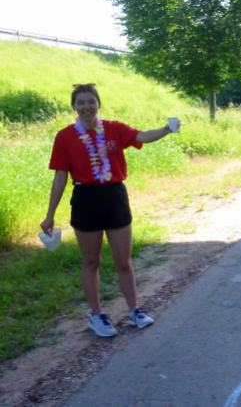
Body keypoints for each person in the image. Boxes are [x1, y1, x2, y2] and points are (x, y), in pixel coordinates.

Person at [40, 84, 179, 338]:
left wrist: (166, 129)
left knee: (123, 261)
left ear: (98, 104)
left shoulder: (114, 128)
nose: (86, 107)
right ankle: (97, 315)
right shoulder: (65, 136)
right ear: (74, 107)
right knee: (91, 261)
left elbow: (141, 136)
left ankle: (134, 310)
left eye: (91, 101)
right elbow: (60, 177)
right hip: (85, 199)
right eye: (81, 102)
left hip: (114, 196)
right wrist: (50, 215)